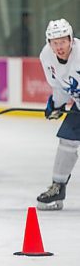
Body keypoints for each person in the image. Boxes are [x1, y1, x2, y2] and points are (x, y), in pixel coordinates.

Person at [36, 18, 79, 211]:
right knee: (67, 139)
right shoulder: (47, 56)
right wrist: (56, 104)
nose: (59, 46)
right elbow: (61, 86)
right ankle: (58, 187)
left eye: (63, 41)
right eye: (55, 42)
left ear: (71, 39)